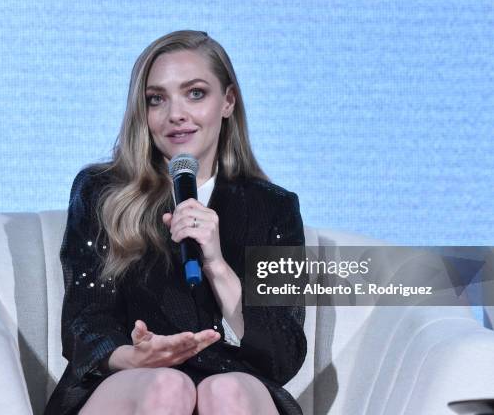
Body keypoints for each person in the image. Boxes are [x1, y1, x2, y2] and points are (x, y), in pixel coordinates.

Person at [44, 30, 306, 415]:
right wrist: (132, 356)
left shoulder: (274, 207)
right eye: (157, 99)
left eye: (195, 93)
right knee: (168, 386)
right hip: (128, 382)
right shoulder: (102, 192)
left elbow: (283, 352)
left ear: (228, 101)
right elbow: (84, 320)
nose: (175, 114)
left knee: (227, 392)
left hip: (234, 384)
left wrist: (216, 264)